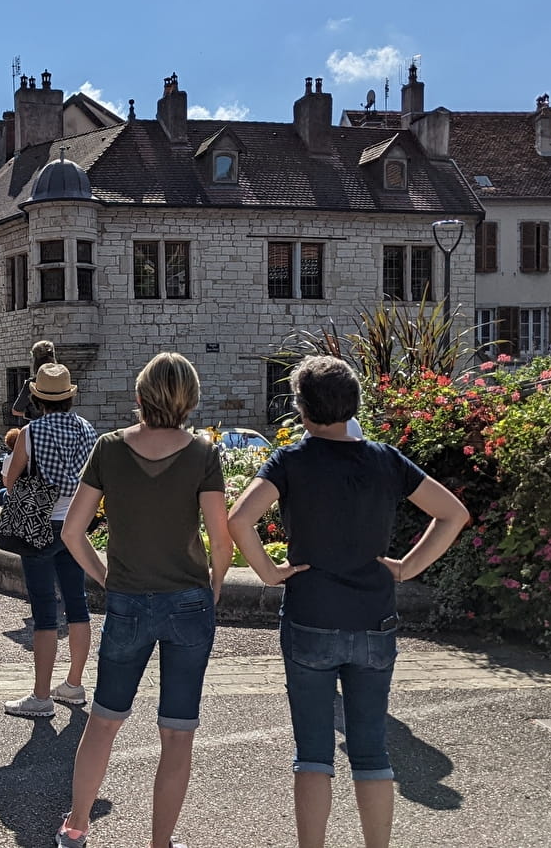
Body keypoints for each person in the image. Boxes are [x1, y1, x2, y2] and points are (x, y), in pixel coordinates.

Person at [227, 355, 470, 848]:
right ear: (353, 404)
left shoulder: (291, 461)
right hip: (374, 620)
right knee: (372, 752)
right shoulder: (385, 460)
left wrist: (270, 572)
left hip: (310, 616)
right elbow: (453, 514)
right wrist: (406, 567)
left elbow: (238, 519)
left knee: (313, 754)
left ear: (301, 408)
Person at [56, 352, 234, 848]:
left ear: (139, 396)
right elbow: (221, 541)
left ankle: (76, 827)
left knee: (104, 721)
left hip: (129, 601)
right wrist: (214, 587)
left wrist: (105, 577)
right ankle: (159, 843)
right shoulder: (202, 453)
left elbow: (74, 531)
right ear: (190, 399)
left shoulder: (109, 450)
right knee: (177, 733)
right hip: (189, 602)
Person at [0, 365, 96, 718]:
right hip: (75, 523)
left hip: (38, 524)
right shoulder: (87, 429)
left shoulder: (30, 431)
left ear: (37, 398)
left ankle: (40, 696)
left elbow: (11, 481)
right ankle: (73, 683)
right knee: (77, 604)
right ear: (70, 397)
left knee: (43, 612)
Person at [11, 340, 57, 420]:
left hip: (40, 428)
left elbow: (15, 410)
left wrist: (30, 414)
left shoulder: (32, 384)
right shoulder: (62, 379)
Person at [0, 427, 21, 507]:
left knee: (2, 494)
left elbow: (6, 482)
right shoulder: (28, 455)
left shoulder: (8, 458)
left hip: (15, 491)